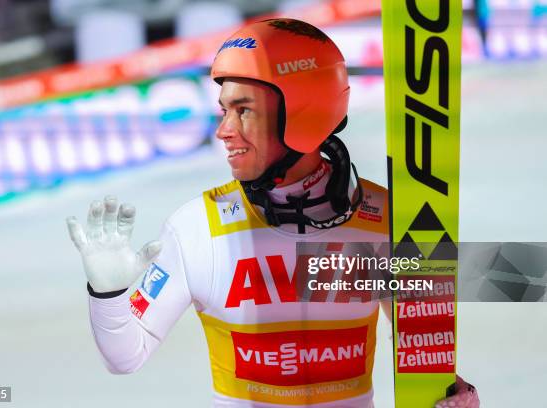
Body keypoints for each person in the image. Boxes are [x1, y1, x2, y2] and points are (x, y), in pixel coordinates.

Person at [67, 18, 478, 408]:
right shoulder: (196, 228)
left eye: (243, 110)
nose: (223, 130)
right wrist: (108, 293)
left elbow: (423, 344)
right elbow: (125, 358)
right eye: (224, 109)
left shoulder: (388, 218)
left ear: (302, 110)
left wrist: (452, 394)